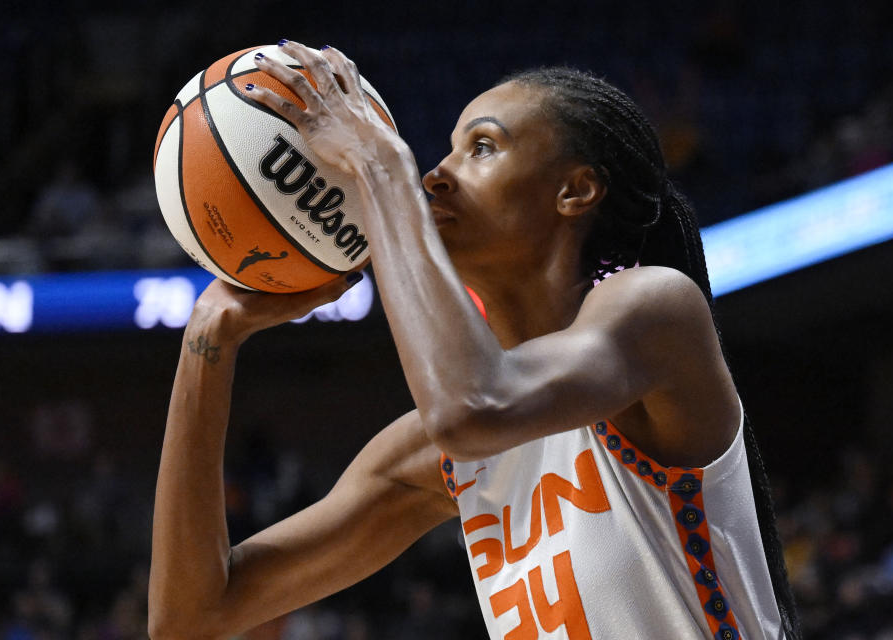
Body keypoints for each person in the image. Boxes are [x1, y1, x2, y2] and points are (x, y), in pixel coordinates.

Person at [149, 42, 801, 639]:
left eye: (482, 147)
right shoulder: (444, 454)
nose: (435, 175)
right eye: (447, 150)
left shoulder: (655, 310)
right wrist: (210, 338)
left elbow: (474, 407)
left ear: (574, 191)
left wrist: (379, 166)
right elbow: (191, 618)